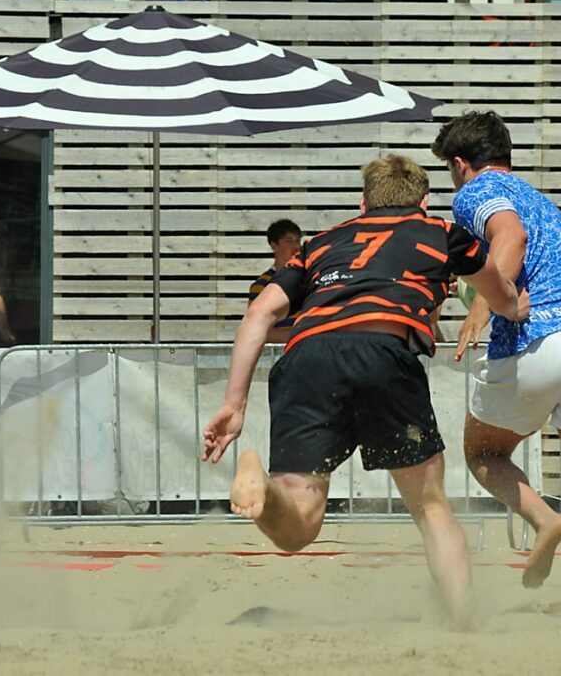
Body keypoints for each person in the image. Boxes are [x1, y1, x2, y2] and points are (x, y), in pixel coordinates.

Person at [202, 154, 527, 627]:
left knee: (298, 528)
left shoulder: (320, 244)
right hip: (383, 350)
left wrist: (234, 404)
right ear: (424, 201)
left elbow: (259, 315)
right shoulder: (441, 233)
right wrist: (515, 305)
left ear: (362, 204)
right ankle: (462, 622)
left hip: (306, 358)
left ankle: (264, 484)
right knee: (432, 507)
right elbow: (499, 294)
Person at [431, 110, 561, 615]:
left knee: (483, 453)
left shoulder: (474, 192)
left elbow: (510, 237)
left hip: (535, 339)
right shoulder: (541, 199)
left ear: (460, 164)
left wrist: (482, 302)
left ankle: (544, 520)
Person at [249, 219, 303, 344]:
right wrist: (300, 337)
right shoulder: (261, 285)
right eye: (289, 241)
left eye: (297, 241)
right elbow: (257, 330)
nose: (296, 246)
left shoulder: (310, 279)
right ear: (274, 246)